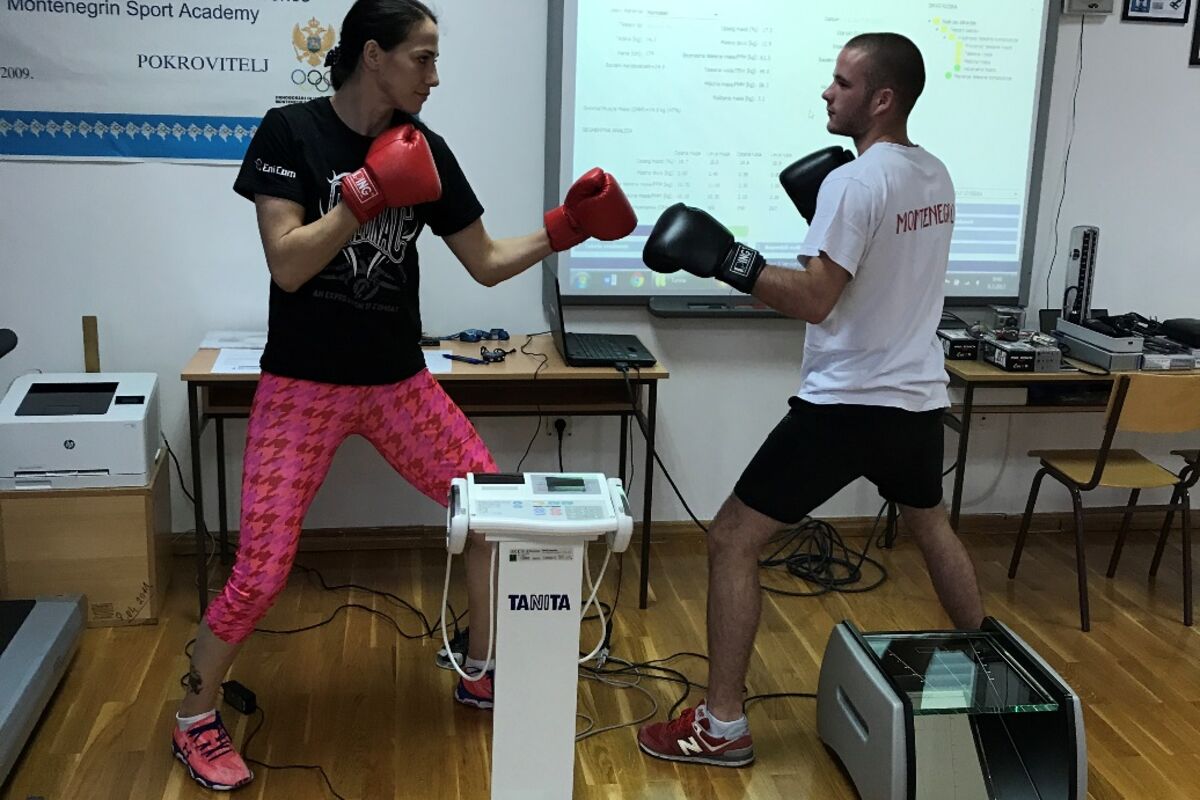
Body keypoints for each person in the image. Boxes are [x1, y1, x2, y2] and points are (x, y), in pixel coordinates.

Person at [170, 0, 637, 790]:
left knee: (489, 511)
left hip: (398, 385)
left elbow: (486, 261)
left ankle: (481, 669)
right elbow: (288, 264)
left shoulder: (427, 148)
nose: (435, 75)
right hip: (303, 387)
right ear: (372, 54)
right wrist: (364, 194)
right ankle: (194, 716)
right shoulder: (291, 133)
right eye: (422, 57)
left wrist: (567, 227)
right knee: (262, 571)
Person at [635, 33, 984, 767]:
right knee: (930, 525)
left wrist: (728, 260)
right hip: (918, 396)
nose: (827, 92)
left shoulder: (853, 184)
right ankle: (988, 670)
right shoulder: (934, 173)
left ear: (882, 98)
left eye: (842, 83)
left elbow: (816, 300)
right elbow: (880, 272)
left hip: (849, 404)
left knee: (732, 538)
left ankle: (722, 725)